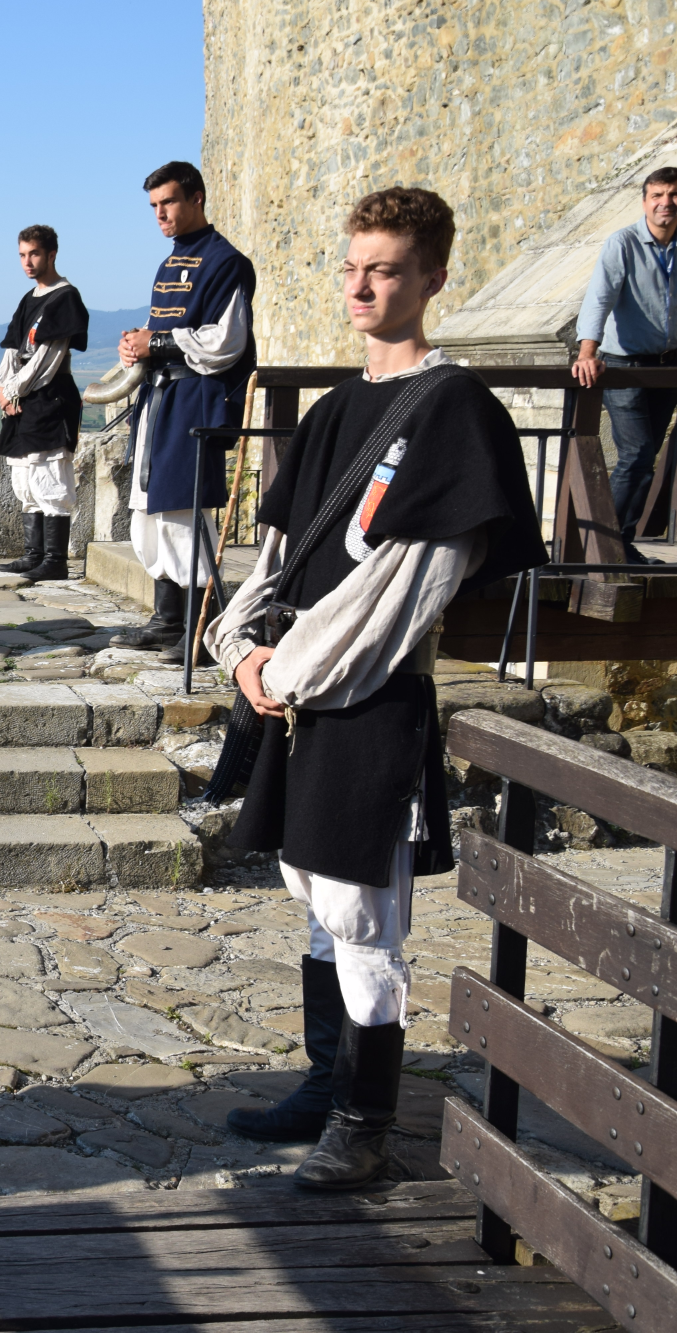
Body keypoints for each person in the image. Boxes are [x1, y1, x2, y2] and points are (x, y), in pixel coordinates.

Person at [204, 187, 546, 1190]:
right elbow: (273, 559)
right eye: (352, 264)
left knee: (363, 913)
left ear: (433, 276)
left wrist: (282, 670)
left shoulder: (457, 416)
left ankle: (362, 1121)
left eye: (386, 267)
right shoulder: (330, 413)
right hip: (291, 698)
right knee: (311, 894)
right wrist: (237, 649)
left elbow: (405, 592)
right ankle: (322, 1081)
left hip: (364, 701)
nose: (360, 284)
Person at [111, 161, 257, 651]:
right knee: (149, 511)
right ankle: (167, 620)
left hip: (195, 401)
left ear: (196, 198)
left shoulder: (225, 262)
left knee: (183, 511)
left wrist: (161, 343)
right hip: (161, 399)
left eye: (168, 202)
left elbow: (225, 342)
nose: (160, 214)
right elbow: (164, 329)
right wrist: (136, 345)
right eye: (154, 206)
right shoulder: (170, 261)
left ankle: (202, 631)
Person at [571, 165, 677, 563]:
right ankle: (602, 547)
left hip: (667, 366)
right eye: (658, 195)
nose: (666, 203)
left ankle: (620, 544)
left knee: (645, 456)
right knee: (637, 452)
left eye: (673, 195)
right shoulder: (624, 243)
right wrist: (587, 353)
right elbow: (599, 297)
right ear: (646, 202)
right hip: (624, 364)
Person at [0, 224, 90, 581]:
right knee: (25, 478)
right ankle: (33, 554)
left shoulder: (65, 297)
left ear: (51, 254)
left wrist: (16, 389)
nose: (27, 262)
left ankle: (55, 560)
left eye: (34, 254)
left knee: (50, 476)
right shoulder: (28, 298)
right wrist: (3, 390)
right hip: (21, 401)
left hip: (49, 397)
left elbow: (48, 356)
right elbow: (12, 349)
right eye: (22, 255)